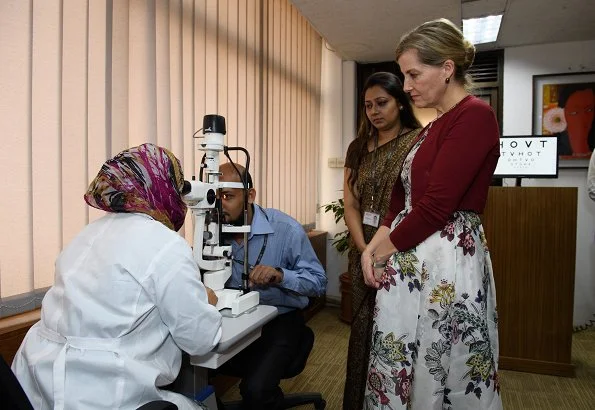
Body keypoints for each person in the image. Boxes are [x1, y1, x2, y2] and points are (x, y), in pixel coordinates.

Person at [12, 143, 222, 410]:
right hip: (105, 394)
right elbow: (200, 340)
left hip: (35, 386)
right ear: (162, 186)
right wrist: (207, 303)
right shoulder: (165, 244)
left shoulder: (85, 236)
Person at [360, 19, 502, 409]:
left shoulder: (474, 116)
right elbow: (399, 199)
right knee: (408, 358)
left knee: (444, 363)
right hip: (412, 258)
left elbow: (437, 205)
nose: (405, 86)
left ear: (447, 68)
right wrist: (370, 247)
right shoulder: (431, 127)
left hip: (444, 262)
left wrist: (382, 251)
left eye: (413, 74)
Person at [215, 162, 327, 410]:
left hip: (279, 320)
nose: (219, 204)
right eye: (215, 196)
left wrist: (281, 275)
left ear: (250, 195)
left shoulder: (285, 229)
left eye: (228, 196)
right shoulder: (210, 230)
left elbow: (319, 283)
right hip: (233, 320)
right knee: (191, 373)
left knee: (256, 391)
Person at [342, 71, 421, 410]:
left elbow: (417, 203)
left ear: (401, 103)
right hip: (364, 250)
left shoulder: (418, 142)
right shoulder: (358, 148)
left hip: (402, 250)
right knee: (362, 330)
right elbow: (350, 204)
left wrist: (382, 252)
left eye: (382, 103)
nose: (374, 111)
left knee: (397, 331)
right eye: (368, 105)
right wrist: (364, 251)